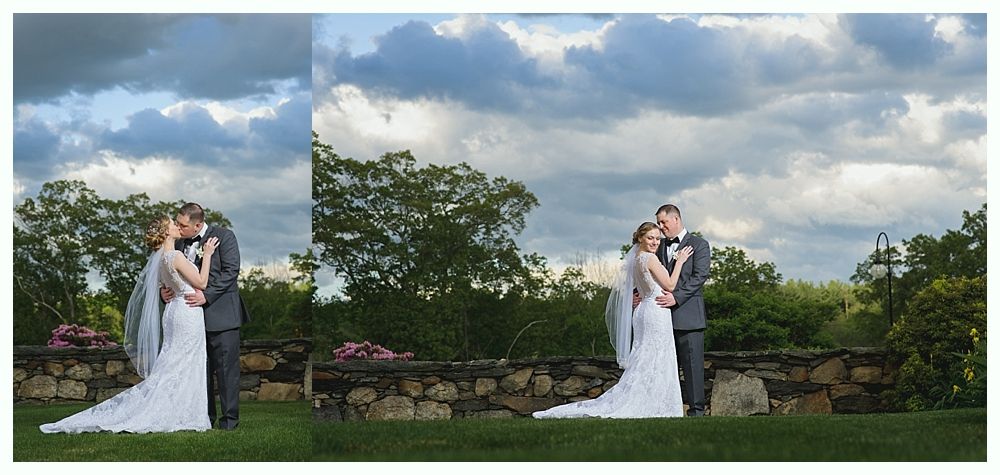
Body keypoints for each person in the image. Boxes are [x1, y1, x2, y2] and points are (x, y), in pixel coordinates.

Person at [40, 216, 218, 433]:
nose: (177, 226)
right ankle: (183, 414)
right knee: (185, 362)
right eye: (173, 224)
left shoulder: (160, 258)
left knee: (172, 362)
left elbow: (168, 286)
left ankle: (178, 411)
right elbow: (201, 282)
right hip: (188, 312)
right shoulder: (176, 256)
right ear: (165, 232)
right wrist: (207, 255)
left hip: (174, 312)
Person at [533, 222, 692, 419]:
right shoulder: (650, 258)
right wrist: (680, 262)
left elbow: (642, 287)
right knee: (657, 358)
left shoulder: (635, 258)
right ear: (640, 238)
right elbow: (669, 284)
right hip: (656, 311)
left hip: (643, 310)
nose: (655, 242)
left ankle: (649, 401)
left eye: (658, 238)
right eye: (651, 237)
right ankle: (655, 405)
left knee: (645, 357)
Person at [161, 202, 251, 430]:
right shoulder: (177, 244)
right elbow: (172, 274)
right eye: (177, 224)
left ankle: (229, 422)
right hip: (190, 320)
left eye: (183, 225)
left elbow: (231, 271)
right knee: (200, 372)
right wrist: (164, 291)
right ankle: (204, 418)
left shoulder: (224, 236)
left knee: (226, 371)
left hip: (222, 316)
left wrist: (207, 296)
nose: (179, 229)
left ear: (198, 225)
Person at [654, 204, 711, 416]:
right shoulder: (657, 246)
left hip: (689, 316)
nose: (660, 227)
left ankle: (697, 411)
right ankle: (667, 410)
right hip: (661, 316)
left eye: (664, 222)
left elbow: (700, 276)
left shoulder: (700, 244)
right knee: (665, 368)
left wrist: (676, 298)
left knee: (693, 367)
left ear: (676, 219)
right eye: (659, 223)